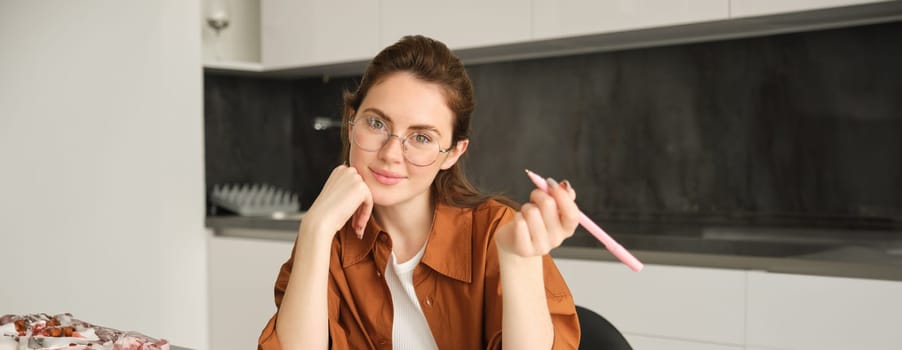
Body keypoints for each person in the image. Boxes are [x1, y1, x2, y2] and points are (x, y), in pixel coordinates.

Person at [258, 35, 581, 350]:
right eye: (377, 124)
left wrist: (518, 263)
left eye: (422, 138)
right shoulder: (330, 238)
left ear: (453, 152)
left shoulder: (497, 233)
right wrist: (315, 228)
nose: (390, 154)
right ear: (352, 121)